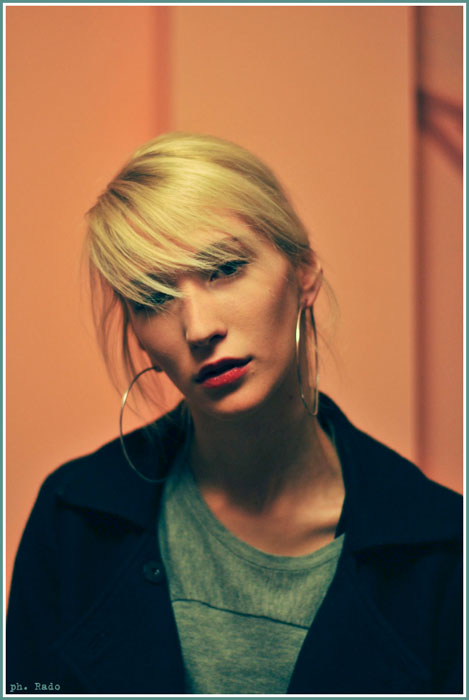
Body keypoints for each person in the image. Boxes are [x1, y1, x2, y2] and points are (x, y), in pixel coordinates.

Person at [7, 133, 462, 695]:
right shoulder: (75, 519)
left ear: (304, 274)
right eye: (153, 297)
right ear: (139, 337)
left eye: (223, 268)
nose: (199, 329)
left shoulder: (443, 548)